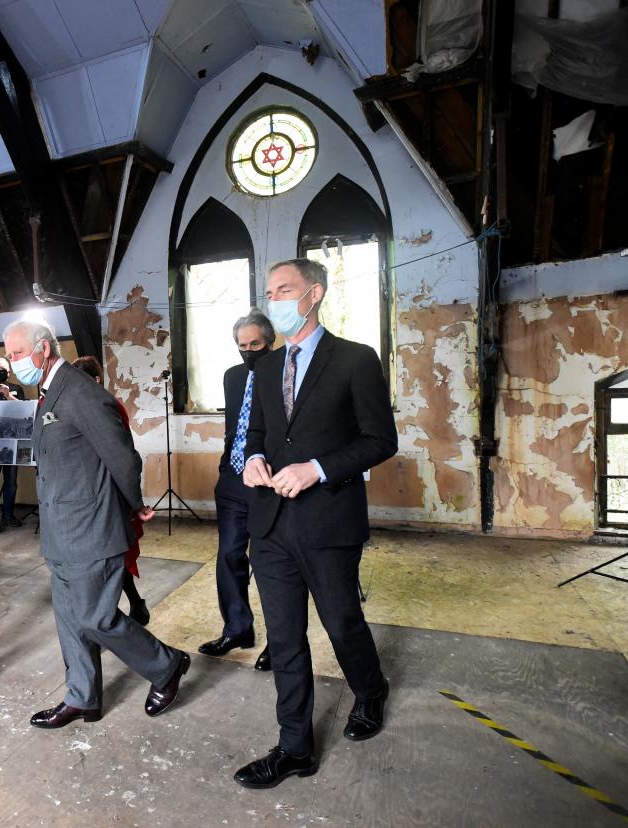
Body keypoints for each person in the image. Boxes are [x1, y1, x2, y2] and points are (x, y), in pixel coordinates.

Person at [233, 259, 397, 789]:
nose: (275, 299)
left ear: (314, 294)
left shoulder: (354, 359)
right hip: (272, 525)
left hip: (328, 522)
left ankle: (369, 690)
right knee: (283, 638)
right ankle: (294, 747)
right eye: (270, 291)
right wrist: (252, 460)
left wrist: (317, 469)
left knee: (342, 622)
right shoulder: (263, 368)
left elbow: (380, 440)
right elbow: (256, 434)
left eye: (286, 290)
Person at [3, 320, 189, 730]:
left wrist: (135, 504)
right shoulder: (50, 392)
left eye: (17, 354)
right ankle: (82, 698)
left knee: (96, 618)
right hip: (61, 528)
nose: (13, 363)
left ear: (44, 349)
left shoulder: (81, 391)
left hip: (91, 526)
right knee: (70, 619)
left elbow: (122, 456)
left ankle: (166, 664)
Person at [197, 312, 274, 669]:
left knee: (270, 562)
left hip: (269, 481)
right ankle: (238, 628)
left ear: (269, 341)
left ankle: (281, 640)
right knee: (228, 555)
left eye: (254, 344)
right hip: (231, 479)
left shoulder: (283, 373)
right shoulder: (233, 376)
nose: (248, 351)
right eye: (242, 346)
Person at [72, 355, 149, 626]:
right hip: (88, 488)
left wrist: (133, 500)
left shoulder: (108, 406)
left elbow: (122, 453)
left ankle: (115, 614)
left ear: (95, 380)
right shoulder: (79, 406)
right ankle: (131, 606)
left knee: (115, 554)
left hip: (110, 488)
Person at [0, 356, 25, 534]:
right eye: (0, 370)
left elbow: (26, 410)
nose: (5, 374)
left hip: (12, 443)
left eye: (7, 371)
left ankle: (8, 515)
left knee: (11, 482)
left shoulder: (16, 389)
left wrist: (8, 396)